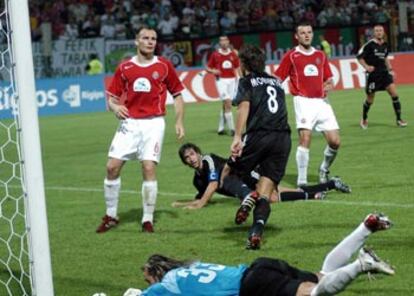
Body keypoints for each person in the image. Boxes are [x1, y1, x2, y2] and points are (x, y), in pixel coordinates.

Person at [126, 213, 394, 296]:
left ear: (154, 273)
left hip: (253, 285)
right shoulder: (190, 268)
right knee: (323, 275)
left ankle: (362, 264)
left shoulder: (166, 286)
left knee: (314, 294)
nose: (148, 284)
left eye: (148, 279)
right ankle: (365, 227)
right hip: (258, 268)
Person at [96, 26, 185, 233]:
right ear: (136, 41)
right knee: (112, 167)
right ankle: (111, 215)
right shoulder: (125, 67)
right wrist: (116, 107)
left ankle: (147, 219)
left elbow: (178, 95)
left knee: (148, 168)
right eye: (145, 38)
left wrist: (179, 121)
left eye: (153, 38)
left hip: (154, 123)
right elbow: (112, 98)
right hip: (130, 123)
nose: (150, 41)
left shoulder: (164, 66)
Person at [225, 44, 291, 249]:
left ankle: (247, 197)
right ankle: (256, 231)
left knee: (227, 173)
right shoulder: (276, 81)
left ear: (244, 64)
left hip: (259, 135)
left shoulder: (247, 81)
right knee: (266, 191)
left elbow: (243, 108)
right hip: (283, 139)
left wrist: (237, 136)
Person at [173, 143, 350, 210]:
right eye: (187, 158)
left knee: (271, 197)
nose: (191, 159)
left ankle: (318, 192)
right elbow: (203, 198)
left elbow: (212, 187)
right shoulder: (197, 179)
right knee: (278, 193)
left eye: (192, 154)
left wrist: (197, 206)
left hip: (247, 174)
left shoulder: (208, 160)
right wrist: (185, 204)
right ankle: (329, 185)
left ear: (198, 152)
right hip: (244, 182)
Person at [274, 22, 340, 187]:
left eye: (309, 32)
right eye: (302, 33)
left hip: (322, 103)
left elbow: (329, 79)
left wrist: (327, 86)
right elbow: (277, 79)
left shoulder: (320, 55)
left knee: (335, 142)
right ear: (297, 36)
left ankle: (324, 169)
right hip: (303, 101)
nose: (307, 35)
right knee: (305, 138)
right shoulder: (291, 56)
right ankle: (302, 182)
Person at [356, 24, 408, 129]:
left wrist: (391, 69)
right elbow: (359, 56)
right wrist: (366, 66)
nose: (379, 32)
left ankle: (399, 119)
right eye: (376, 31)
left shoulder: (385, 45)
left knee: (395, 95)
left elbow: (385, 58)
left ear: (383, 32)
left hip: (384, 74)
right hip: (374, 75)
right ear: (374, 33)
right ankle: (364, 118)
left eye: (380, 30)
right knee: (370, 100)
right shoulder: (369, 45)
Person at [206, 35, 240, 136]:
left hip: (232, 80)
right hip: (221, 81)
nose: (224, 42)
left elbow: (237, 67)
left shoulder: (233, 54)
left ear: (228, 42)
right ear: (219, 43)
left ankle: (220, 128)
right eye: (221, 41)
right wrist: (213, 71)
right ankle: (233, 130)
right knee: (228, 103)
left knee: (226, 105)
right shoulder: (215, 54)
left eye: (225, 40)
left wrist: (241, 78)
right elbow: (208, 68)